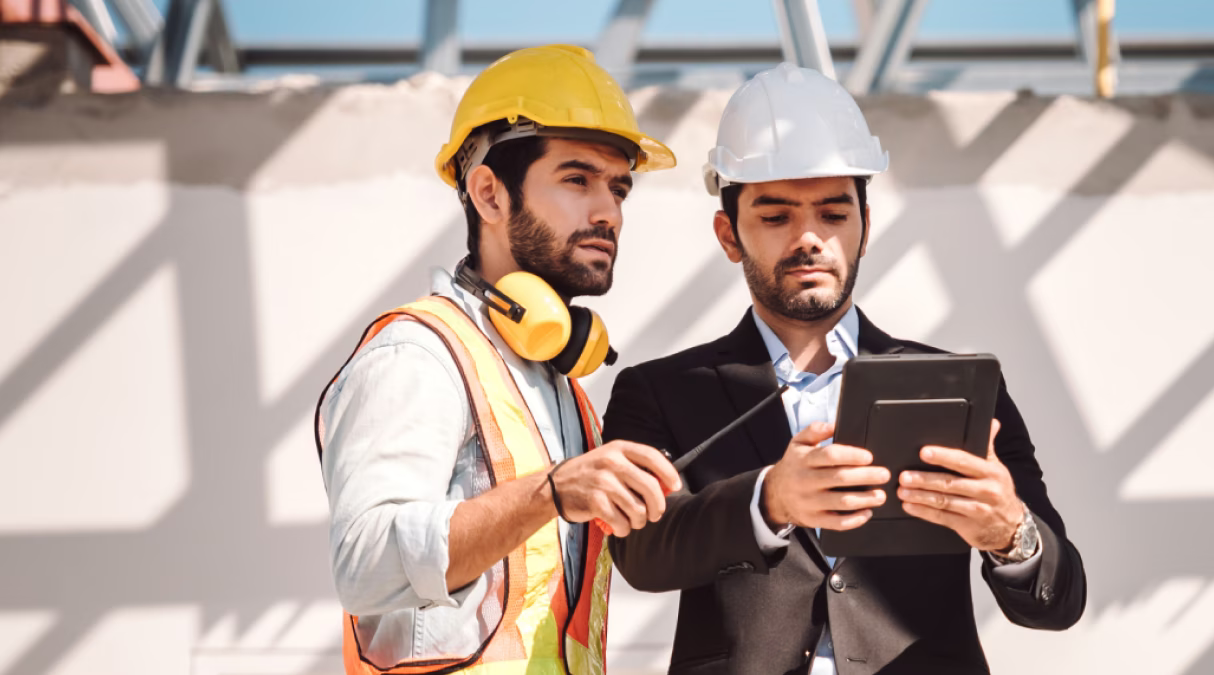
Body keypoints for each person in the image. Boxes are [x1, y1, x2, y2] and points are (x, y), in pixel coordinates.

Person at [602, 63, 1087, 674]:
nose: (809, 238)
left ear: (864, 226)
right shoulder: (661, 391)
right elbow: (641, 550)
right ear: (728, 235)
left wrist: (1010, 533)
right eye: (776, 217)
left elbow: (1060, 600)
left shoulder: (959, 388)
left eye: (833, 215)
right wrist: (769, 499)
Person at [316, 45, 681, 675]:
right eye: (577, 180)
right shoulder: (419, 354)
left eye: (619, 187)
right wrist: (549, 493)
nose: (609, 212)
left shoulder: (560, 386)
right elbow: (364, 566)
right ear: (489, 194)